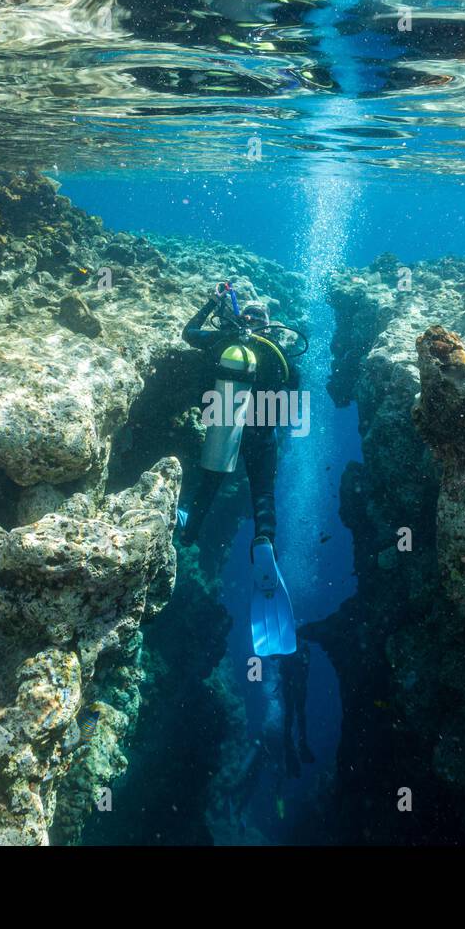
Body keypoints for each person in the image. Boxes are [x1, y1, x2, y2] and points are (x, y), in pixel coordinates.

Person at [177, 282, 300, 656]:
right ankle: (264, 540)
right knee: (263, 493)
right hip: (262, 431)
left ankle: (190, 531)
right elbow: (292, 392)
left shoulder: (223, 340)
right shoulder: (275, 351)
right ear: (267, 323)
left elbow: (188, 334)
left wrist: (211, 302)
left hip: (225, 422)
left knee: (210, 482)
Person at [278, 648, 314, 778]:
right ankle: (298, 745)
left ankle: (294, 746)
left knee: (292, 713)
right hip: (295, 679)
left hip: (292, 678)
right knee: (297, 712)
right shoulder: (300, 645)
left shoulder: (291, 646)